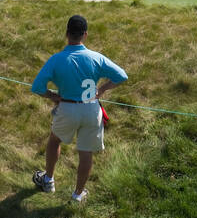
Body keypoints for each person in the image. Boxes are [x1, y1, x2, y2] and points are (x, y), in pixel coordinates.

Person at [30, 15, 127, 203]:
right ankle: (78, 194)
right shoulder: (96, 57)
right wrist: (102, 90)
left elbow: (37, 87)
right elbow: (121, 76)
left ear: (67, 34)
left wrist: (53, 96)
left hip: (67, 108)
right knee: (86, 152)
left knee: (54, 141)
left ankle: (48, 179)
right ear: (85, 35)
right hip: (91, 109)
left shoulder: (56, 59)